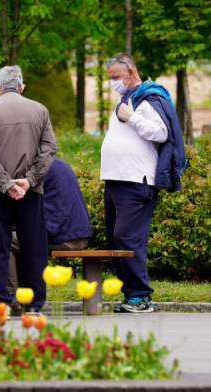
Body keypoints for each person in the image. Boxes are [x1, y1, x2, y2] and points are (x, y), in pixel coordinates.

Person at [101, 53, 186, 313]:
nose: (113, 82)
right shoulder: (126, 99)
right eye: (110, 78)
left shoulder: (148, 98)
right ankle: (130, 295)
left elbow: (162, 132)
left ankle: (141, 296)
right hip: (116, 179)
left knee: (127, 236)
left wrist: (132, 117)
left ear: (130, 71)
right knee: (115, 238)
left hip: (137, 180)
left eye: (116, 77)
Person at [0, 65, 56, 313]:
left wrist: (5, 183)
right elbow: (48, 149)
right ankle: (33, 302)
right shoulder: (40, 110)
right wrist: (29, 180)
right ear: (22, 87)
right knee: (33, 245)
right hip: (30, 191)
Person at [0, 158, 92, 308]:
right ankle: (22, 293)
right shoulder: (56, 163)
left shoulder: (33, 168)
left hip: (62, 235)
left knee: (4, 240)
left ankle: (11, 296)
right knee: (16, 237)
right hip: (75, 232)